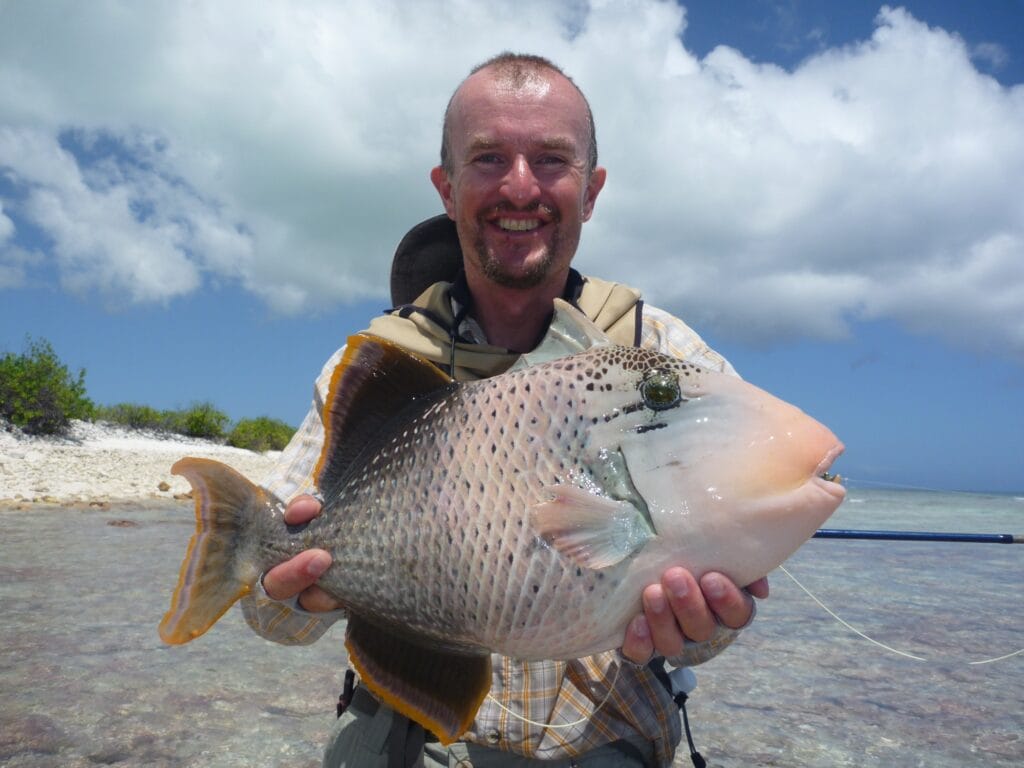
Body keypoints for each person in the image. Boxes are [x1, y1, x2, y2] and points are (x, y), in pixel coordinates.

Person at [242, 52, 768, 768]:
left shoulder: (659, 355)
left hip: (605, 737)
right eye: (488, 159)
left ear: (591, 190)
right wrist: (291, 591)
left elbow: (722, 577)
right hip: (414, 728)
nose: (521, 187)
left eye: (552, 159)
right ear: (448, 188)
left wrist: (706, 624)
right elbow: (268, 610)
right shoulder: (382, 363)